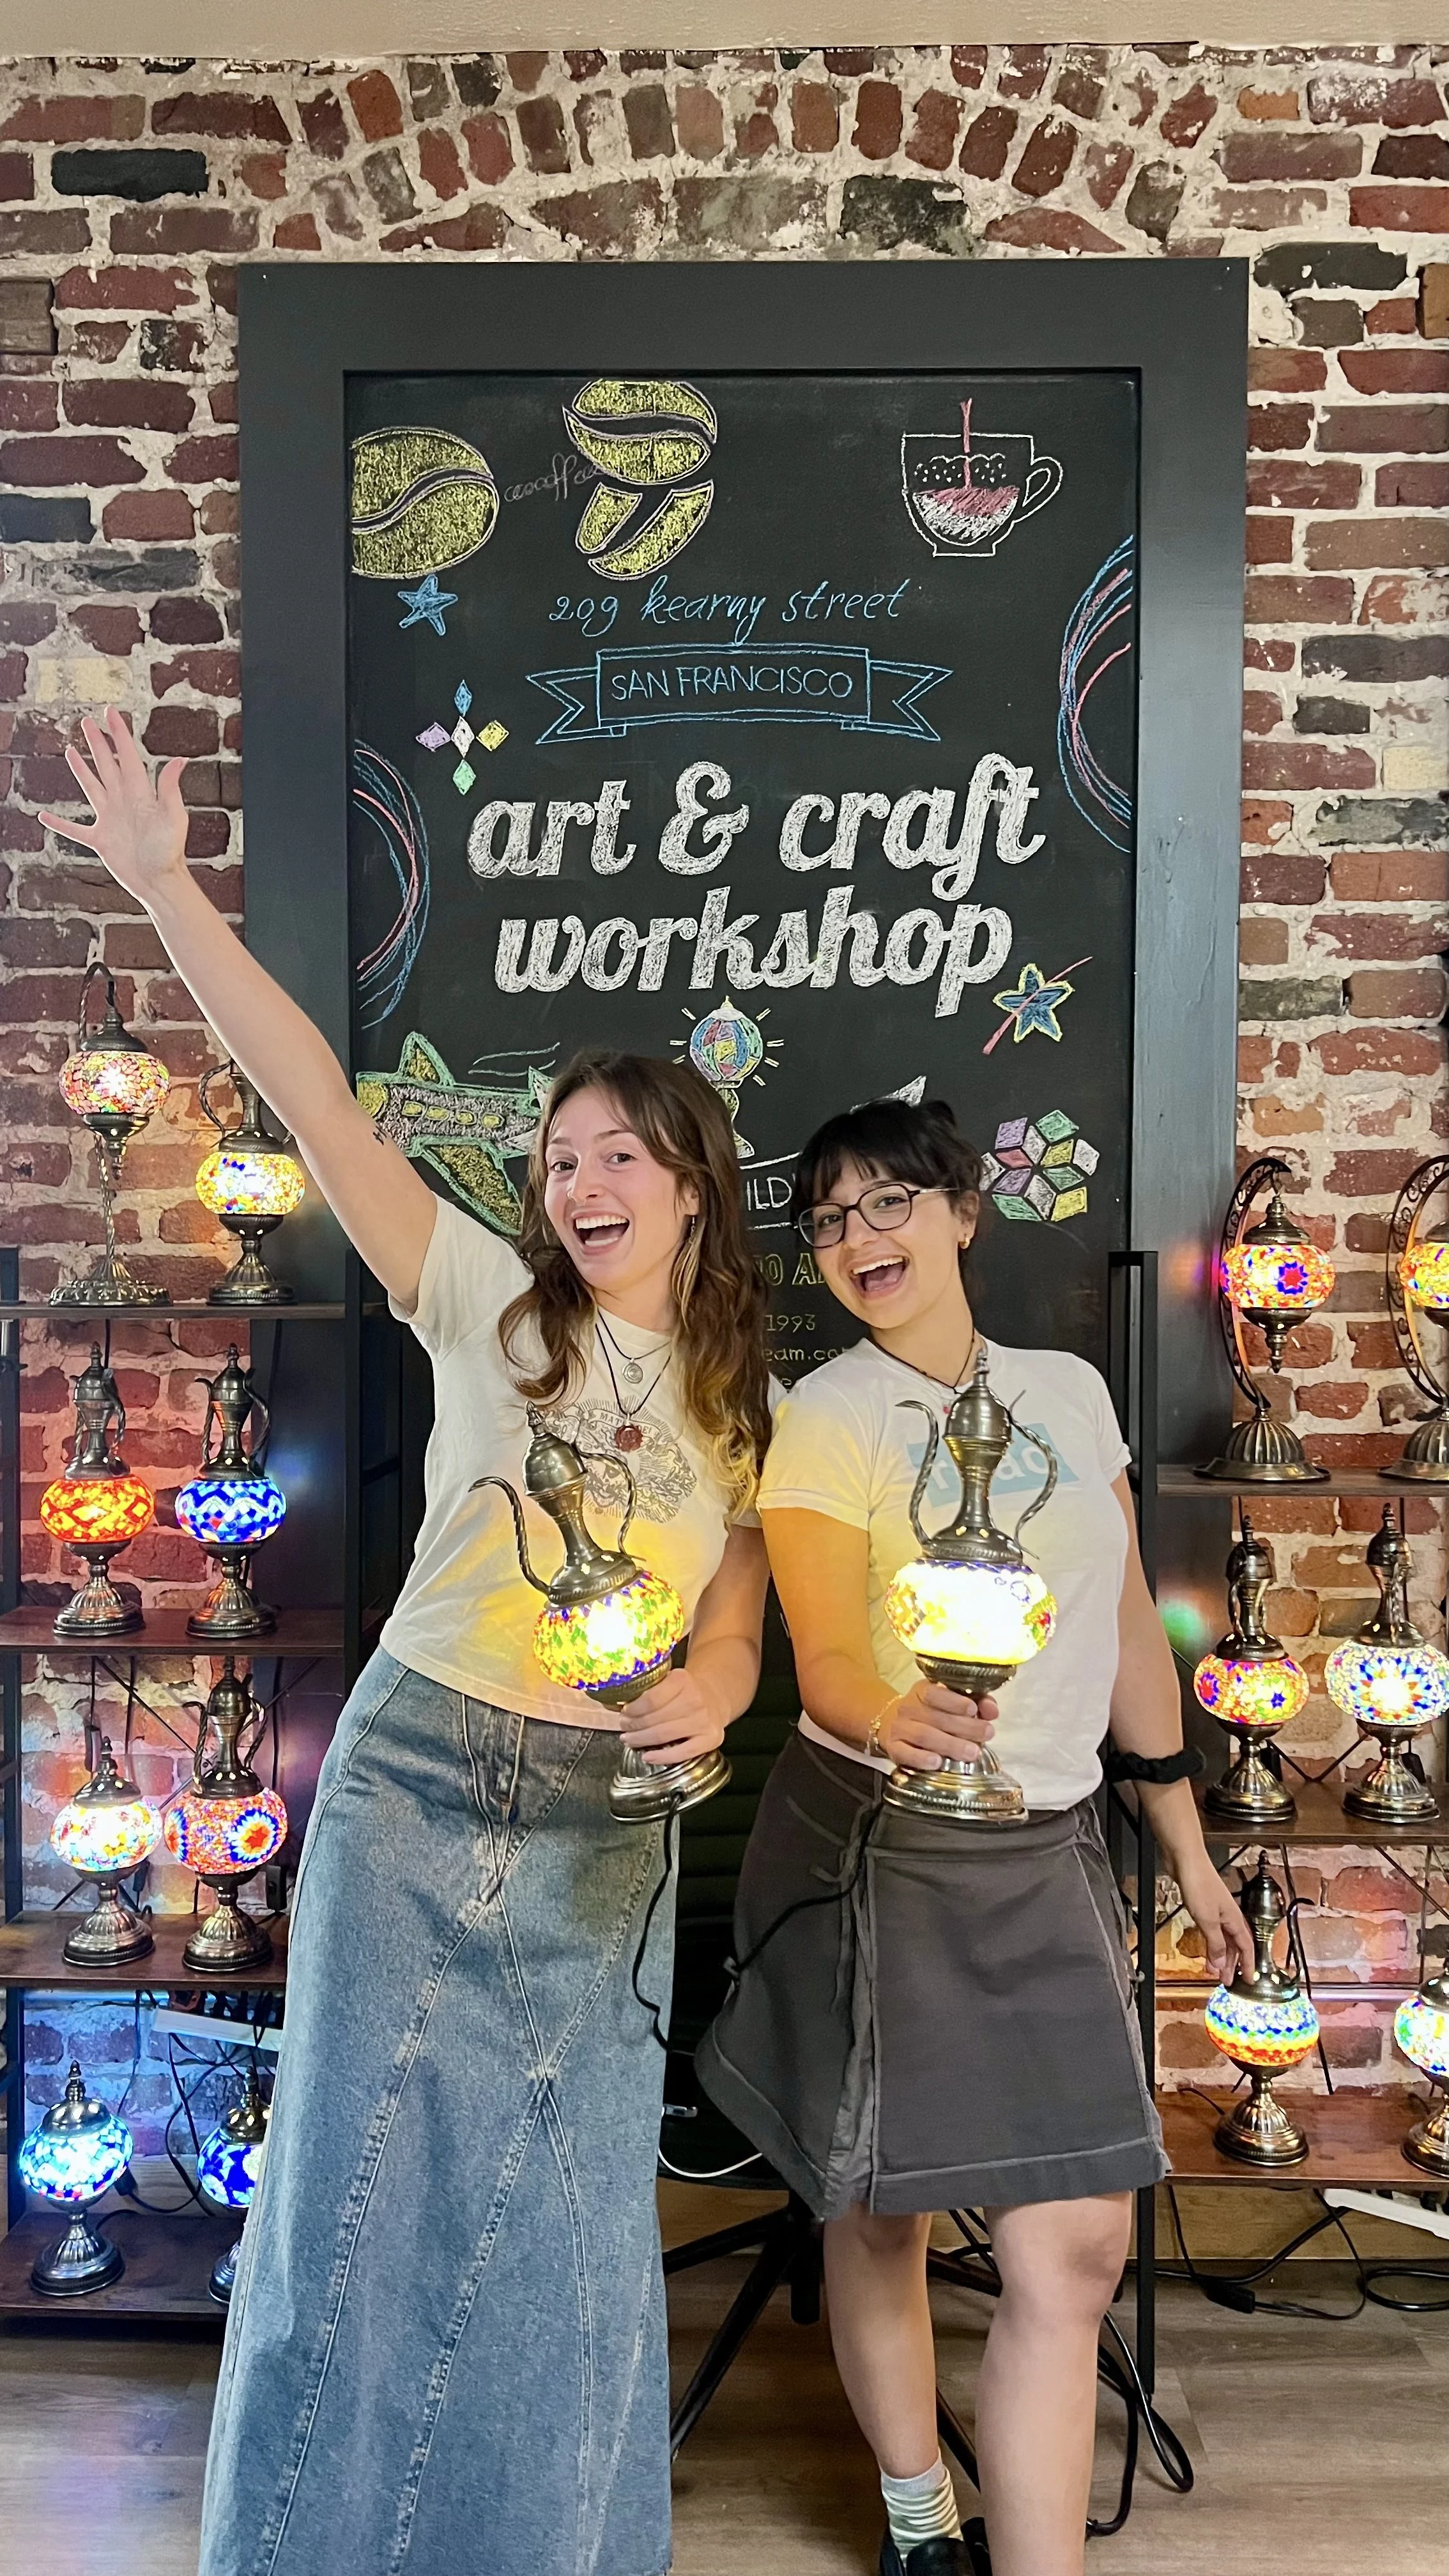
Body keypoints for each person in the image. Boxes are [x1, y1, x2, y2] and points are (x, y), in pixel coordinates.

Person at [40, 710, 772, 2576]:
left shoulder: (750, 1393)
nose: (579, 1183)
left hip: (609, 1821)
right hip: (421, 1770)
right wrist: (161, 888)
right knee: (349, 2208)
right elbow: (313, 1099)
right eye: (556, 1158)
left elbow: (751, 1576)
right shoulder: (481, 1299)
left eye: (618, 1153)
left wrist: (729, 1677)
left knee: (570, 2217)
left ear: (690, 1178)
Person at [698, 1095, 1252, 2576]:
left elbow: (1131, 1618)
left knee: (1074, 2246)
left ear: (962, 1212)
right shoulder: (827, 1416)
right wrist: (897, 1714)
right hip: (879, 1846)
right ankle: (918, 2509)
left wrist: (1186, 1842)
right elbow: (823, 1664)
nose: (860, 1239)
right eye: (829, 1220)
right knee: (880, 2198)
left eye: (890, 1204)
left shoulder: (1069, 1392)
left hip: (1053, 1844)